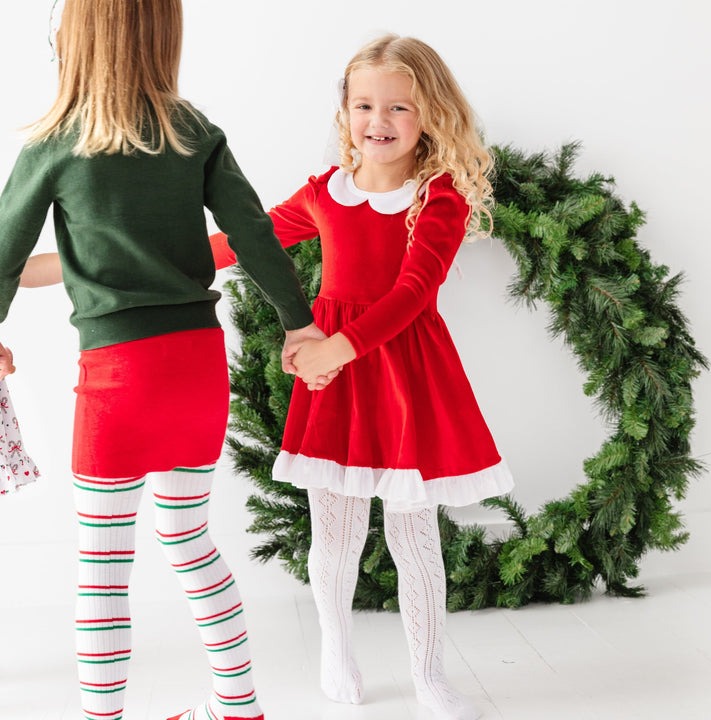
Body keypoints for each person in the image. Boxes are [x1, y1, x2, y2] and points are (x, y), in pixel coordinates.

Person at [0, 2, 325, 719]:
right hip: (197, 369)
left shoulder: (54, 145)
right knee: (189, 539)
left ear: (76, 37)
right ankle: (239, 709)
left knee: (103, 570)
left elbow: (4, 257)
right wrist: (298, 324)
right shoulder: (196, 133)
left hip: (118, 379)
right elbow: (255, 234)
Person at [214, 33, 515, 720]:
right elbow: (250, 240)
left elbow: (413, 294)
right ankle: (335, 644)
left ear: (430, 115)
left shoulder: (438, 198)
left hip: (403, 372)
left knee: (415, 537)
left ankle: (429, 674)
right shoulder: (326, 192)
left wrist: (337, 347)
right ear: (345, 112)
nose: (378, 122)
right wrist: (161, 259)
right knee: (337, 531)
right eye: (364, 105)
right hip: (337, 383)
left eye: (399, 108)